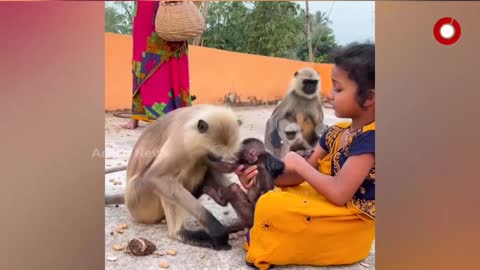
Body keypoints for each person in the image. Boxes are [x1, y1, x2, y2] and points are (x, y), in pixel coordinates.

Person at [235, 43, 375, 270]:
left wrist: (299, 164)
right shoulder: (336, 131)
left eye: (338, 90)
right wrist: (261, 175)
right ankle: (273, 234)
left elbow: (339, 193)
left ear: (368, 98)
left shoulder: (372, 138)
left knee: (272, 206)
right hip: (327, 200)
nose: (329, 95)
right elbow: (299, 176)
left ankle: (271, 242)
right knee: (273, 196)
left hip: (349, 224)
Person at [124, 1, 193, 129]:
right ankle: (137, 115)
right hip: (145, 10)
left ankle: (174, 116)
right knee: (141, 61)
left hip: (169, 9)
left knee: (171, 56)